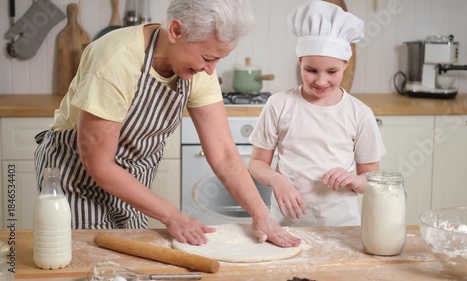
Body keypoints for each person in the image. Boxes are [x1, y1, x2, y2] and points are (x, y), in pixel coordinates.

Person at [34, 0, 300, 247]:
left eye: (218, 60)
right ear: (175, 31)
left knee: (128, 263)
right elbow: (99, 164)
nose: (210, 70)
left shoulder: (199, 70)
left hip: (132, 183)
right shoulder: (116, 58)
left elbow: (225, 156)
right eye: (207, 58)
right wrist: (172, 215)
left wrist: (260, 213)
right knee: (92, 260)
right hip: (77, 178)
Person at [248, 1, 386, 227]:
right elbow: (256, 164)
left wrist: (353, 180)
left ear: (345, 64)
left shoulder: (359, 113)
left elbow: (372, 179)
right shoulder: (279, 104)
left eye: (332, 71)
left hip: (342, 227)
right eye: (311, 70)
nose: (321, 81)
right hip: (286, 225)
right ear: (300, 61)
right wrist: (276, 179)